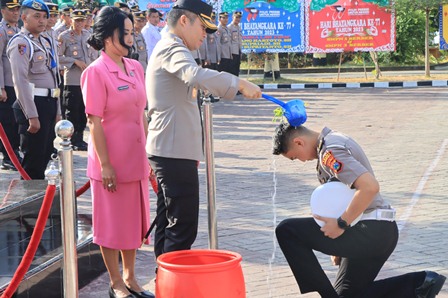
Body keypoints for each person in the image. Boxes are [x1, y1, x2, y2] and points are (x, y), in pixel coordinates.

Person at [272, 122, 447, 298]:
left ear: (299, 142)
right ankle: (420, 284)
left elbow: (369, 187)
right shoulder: (333, 141)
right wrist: (337, 248)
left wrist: (341, 224)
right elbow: (341, 197)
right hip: (376, 231)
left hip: (371, 231)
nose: (301, 161)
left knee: (288, 231)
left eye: (295, 157)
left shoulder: (330, 151)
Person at [146, 0, 262, 259]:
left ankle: (164, 279)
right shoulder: (171, 48)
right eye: (202, 26)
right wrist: (238, 83)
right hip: (172, 150)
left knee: (169, 221)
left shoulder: (173, 46)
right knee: (182, 225)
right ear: (184, 21)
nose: (205, 35)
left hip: (173, 148)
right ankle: (172, 284)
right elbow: (193, 75)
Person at [81, 6, 154, 298]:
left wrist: (150, 155)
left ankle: (131, 277)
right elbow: (94, 121)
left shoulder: (134, 67)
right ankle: (115, 282)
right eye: (125, 32)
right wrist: (106, 164)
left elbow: (142, 114)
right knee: (111, 225)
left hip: (136, 159)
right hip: (111, 162)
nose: (130, 37)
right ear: (108, 36)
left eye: (131, 31)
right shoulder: (95, 72)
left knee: (133, 223)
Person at [8, 0, 62, 179]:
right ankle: (32, 205)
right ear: (24, 18)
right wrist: (32, 116)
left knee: (45, 155)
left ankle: (41, 202)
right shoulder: (21, 44)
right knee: (33, 162)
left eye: (44, 17)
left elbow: (55, 77)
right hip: (33, 104)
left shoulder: (45, 41)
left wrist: (58, 110)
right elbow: (20, 81)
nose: (42, 21)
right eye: (36, 16)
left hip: (48, 102)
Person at [58, 9, 94, 151]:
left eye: (82, 20)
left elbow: (94, 55)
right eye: (77, 20)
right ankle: (71, 139)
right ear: (70, 20)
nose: (79, 23)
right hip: (72, 79)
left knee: (83, 110)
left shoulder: (88, 35)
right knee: (72, 110)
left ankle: (79, 138)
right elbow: (58, 56)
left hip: (87, 79)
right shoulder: (64, 36)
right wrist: (74, 61)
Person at [0, 0, 22, 171]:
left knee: (16, 121)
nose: (15, 12)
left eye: (17, 9)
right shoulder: (2, 31)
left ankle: (14, 152)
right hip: (6, 84)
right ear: (2, 10)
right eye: (11, 9)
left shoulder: (18, 30)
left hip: (17, 83)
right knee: (7, 121)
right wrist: (0, 86)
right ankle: (7, 156)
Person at [228, 11, 242, 77]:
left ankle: (236, 85)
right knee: (232, 70)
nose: (238, 19)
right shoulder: (229, 27)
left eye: (239, 18)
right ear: (233, 17)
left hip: (238, 51)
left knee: (237, 70)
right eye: (236, 17)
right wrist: (230, 53)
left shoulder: (239, 27)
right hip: (232, 52)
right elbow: (228, 42)